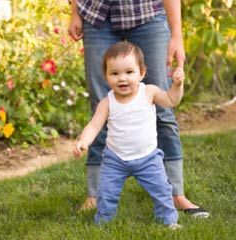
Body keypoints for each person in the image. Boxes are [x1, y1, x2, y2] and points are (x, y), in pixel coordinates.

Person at [68, 0, 209, 217]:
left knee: (163, 112)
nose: (122, 79)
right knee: (101, 107)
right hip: (97, 15)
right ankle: (95, 195)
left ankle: (175, 193)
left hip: (147, 13)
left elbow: (171, 99)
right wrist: (75, 12)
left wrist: (176, 35)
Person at [73, 41, 182, 227]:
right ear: (106, 76)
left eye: (129, 72)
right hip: (115, 159)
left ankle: (169, 221)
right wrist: (83, 141)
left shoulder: (149, 92)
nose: (122, 78)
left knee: (162, 190)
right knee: (106, 193)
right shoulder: (107, 102)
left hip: (148, 158)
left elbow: (172, 100)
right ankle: (103, 223)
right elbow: (93, 126)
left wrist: (177, 85)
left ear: (142, 72)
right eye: (114, 73)